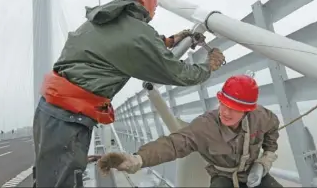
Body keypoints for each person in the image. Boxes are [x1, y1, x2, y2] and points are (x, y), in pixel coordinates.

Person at [32, 0, 225, 188]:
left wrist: (172, 40)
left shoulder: (107, 17)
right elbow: (181, 74)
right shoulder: (138, 34)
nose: (156, 2)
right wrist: (208, 66)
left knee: (48, 179)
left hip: (53, 111)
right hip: (67, 119)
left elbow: (121, 45)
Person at [98, 74, 283, 188]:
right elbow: (174, 144)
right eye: (223, 104)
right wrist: (137, 159)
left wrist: (264, 162)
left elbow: (272, 131)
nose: (225, 112)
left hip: (254, 171)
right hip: (224, 176)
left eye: (233, 108)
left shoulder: (262, 117)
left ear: (247, 110)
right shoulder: (205, 126)